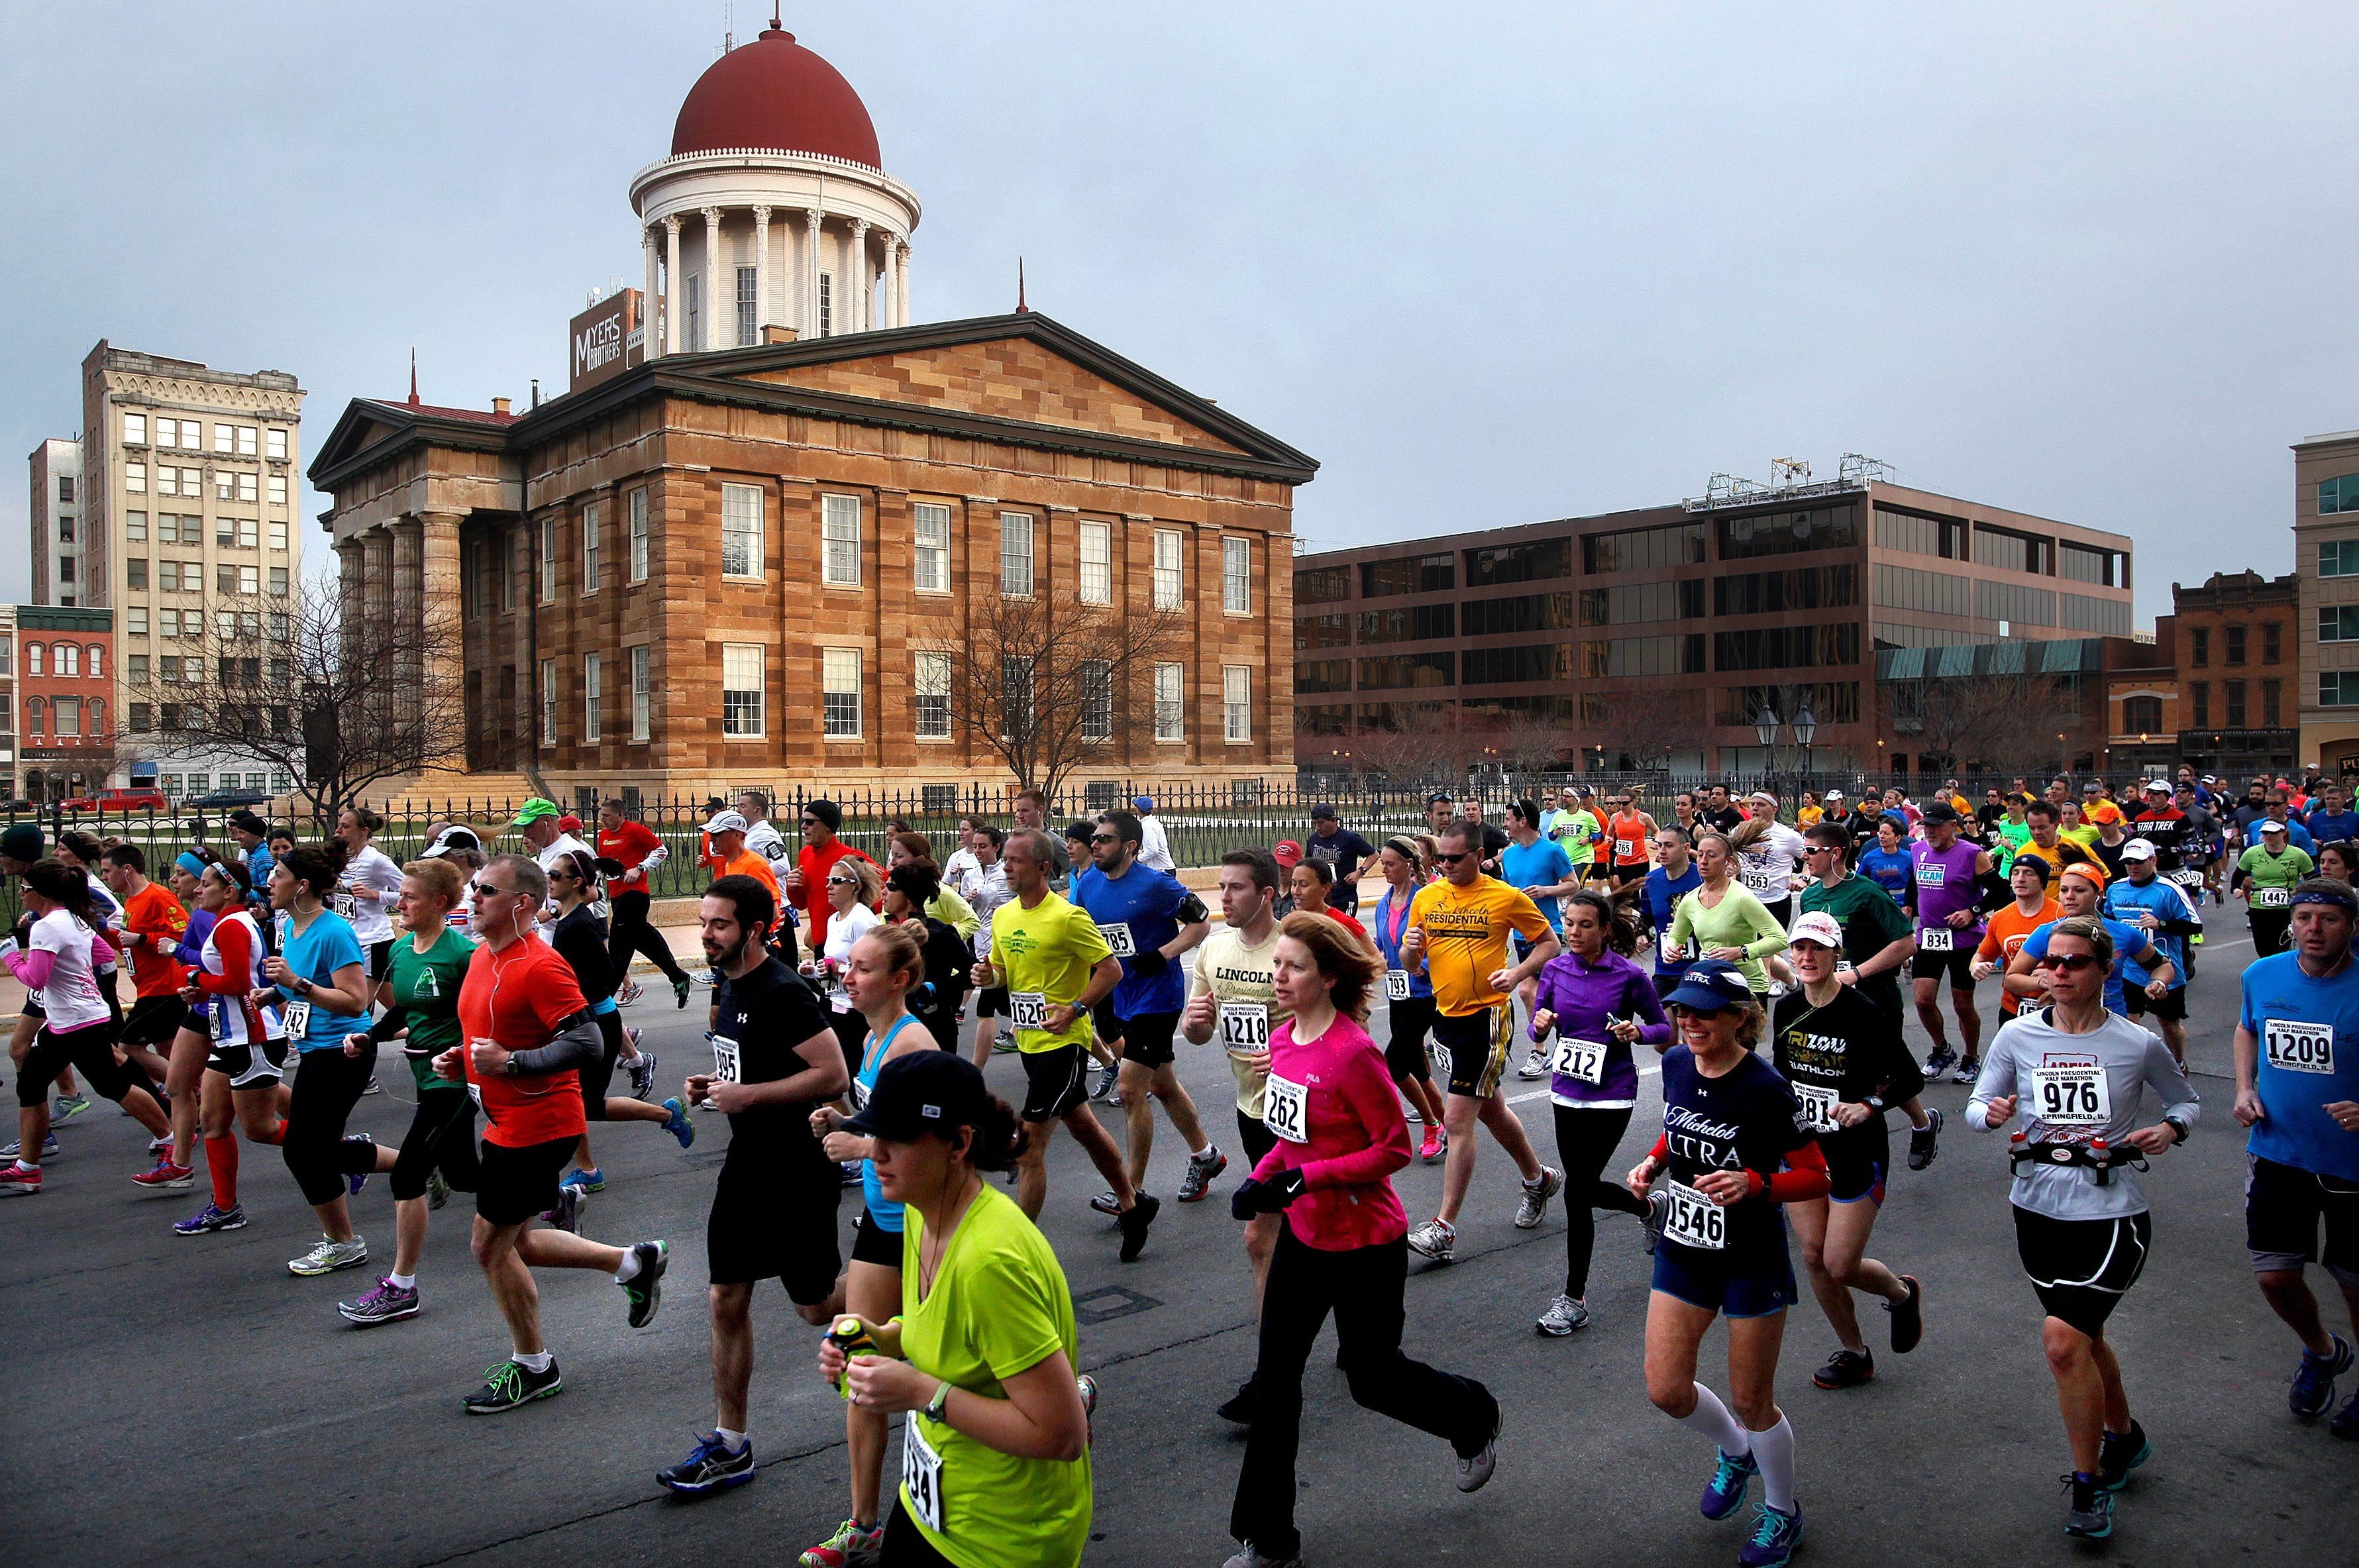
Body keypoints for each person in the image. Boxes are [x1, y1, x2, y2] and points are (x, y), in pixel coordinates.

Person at [1226, 914, 1502, 1568]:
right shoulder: (1286, 1039)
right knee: (1276, 1384)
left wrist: (1305, 1179)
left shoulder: (1353, 1053)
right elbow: (1288, 1134)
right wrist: (1260, 1180)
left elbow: (1393, 1148)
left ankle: (1472, 1416)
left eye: (1292, 967)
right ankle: (1269, 1540)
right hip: (1305, 1237)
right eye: (1277, 965)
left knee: (1373, 1379)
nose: (1279, 976)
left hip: (1366, 1244)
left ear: (1328, 977)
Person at [1966, 915, 2198, 1540]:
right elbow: (1973, 1106)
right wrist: (1989, 1113)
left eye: (2074, 962)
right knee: (2087, 1339)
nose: (2058, 971)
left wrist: (2170, 1129)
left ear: (2105, 971)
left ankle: (2089, 1483)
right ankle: (2125, 1436)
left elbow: (2185, 1100)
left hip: (2112, 1212)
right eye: (2051, 961)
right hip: (2035, 1206)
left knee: (2063, 1341)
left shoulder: (2136, 1043)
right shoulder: (2016, 1035)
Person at [818, 1051, 1094, 1568]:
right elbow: (947, 1329)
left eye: (896, 1138)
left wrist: (920, 1390)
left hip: (1003, 1536)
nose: (875, 1153)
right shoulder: (923, 1208)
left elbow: (1062, 1434)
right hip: (936, 1502)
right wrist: (883, 1337)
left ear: (959, 1144)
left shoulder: (989, 1261)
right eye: (875, 1135)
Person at [435, 853, 670, 1414]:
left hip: (540, 1124)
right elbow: (492, 1033)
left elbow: (589, 1043)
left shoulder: (540, 964)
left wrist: (512, 1063)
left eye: (485, 890)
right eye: (473, 887)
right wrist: (463, 1061)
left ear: (520, 903)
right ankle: (631, 1261)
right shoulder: (484, 957)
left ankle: (534, 1365)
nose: (473, 897)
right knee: (517, 1242)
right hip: (504, 1118)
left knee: (487, 1245)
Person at [656, 874, 851, 1493]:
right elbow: (754, 1062)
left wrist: (748, 1093)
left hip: (798, 1166)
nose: (707, 934)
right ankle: (731, 1443)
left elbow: (832, 1074)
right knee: (724, 1298)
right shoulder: (730, 981)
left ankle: (904, 1291)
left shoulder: (783, 991)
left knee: (815, 1305)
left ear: (755, 929)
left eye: (719, 925)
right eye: (705, 923)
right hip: (747, 1165)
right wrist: (712, 1082)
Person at [1630, 959, 1826, 1568]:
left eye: (1703, 1013)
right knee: (1665, 1388)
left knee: (1751, 1398)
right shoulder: (1674, 1063)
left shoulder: (1767, 1088)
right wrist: (1654, 1161)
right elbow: (1678, 1128)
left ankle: (1782, 1509)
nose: (1688, 1022)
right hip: (1687, 1243)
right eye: (1681, 1010)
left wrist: (1755, 1182)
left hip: (1750, 1255)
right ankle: (1734, 1452)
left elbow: (1817, 1174)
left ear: (1740, 1018)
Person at [789, 925, 943, 1558]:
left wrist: (860, 1145)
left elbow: (934, 1142)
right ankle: (862, 1523)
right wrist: (845, 1118)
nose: (847, 978)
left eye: (862, 969)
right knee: (861, 1360)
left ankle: (1059, 1396)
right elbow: (887, 1119)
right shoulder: (873, 1034)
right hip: (883, 1221)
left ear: (899, 979)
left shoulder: (911, 1042)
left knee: (953, 1359)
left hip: (925, 1224)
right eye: (847, 967)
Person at [971, 829, 1160, 1259]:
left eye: (1016, 860)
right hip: (1029, 1043)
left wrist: (1075, 1009)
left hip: (1064, 1043)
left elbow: (1110, 970)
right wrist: (989, 977)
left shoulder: (1068, 917)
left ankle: (1015, 1250)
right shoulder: (1004, 916)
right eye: (1007, 860)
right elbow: (1002, 969)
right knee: (1085, 1128)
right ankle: (1133, 1203)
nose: (1007, 867)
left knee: (1028, 1146)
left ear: (1042, 867)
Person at [1399, 818, 1563, 1265]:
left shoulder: (1503, 895)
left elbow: (1548, 943)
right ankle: (1538, 1177)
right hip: (1445, 1015)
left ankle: (1444, 1227)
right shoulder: (1427, 896)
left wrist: (1515, 973)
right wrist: (1411, 947)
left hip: (1487, 1017)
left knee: (1456, 1118)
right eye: (1440, 859)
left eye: (1455, 858)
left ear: (1476, 855)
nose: (1446, 866)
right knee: (1487, 1107)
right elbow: (1411, 961)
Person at [1773, 915, 1927, 1391]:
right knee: (1815, 1256)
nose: (1805, 957)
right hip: (1802, 1148)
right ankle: (1855, 1352)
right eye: (1798, 948)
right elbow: (1781, 1078)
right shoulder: (1787, 1009)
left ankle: (1899, 1292)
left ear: (1834, 953)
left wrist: (1868, 1104)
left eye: (1816, 948)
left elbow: (1908, 1078)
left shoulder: (1864, 1011)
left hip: (1855, 1151)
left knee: (1841, 1263)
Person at [2232, 877, 2359, 1437]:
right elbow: (2245, 1029)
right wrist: (2242, 1086)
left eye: (2327, 918)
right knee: (2275, 1277)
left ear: (2350, 925)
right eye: (2304, 917)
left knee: (2355, 1285)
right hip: (2279, 1151)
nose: (2313, 928)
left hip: (2351, 1165)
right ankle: (2322, 1350)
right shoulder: (2263, 974)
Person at [334, 859, 479, 1322]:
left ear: (439, 902)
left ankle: (402, 1286)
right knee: (465, 1176)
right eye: (401, 895)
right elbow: (401, 1012)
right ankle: (548, 1195)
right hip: (423, 1076)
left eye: (411, 896)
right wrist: (368, 1036)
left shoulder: (462, 955)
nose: (401, 902)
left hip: (453, 1080)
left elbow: (481, 1017)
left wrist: (462, 1051)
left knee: (406, 1175)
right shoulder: (401, 950)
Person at [1525, 890, 1667, 1335]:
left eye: (1584, 924)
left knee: (1577, 1190)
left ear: (1604, 929)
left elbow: (1662, 1026)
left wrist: (1636, 1031)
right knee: (1581, 1188)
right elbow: (1536, 1023)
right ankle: (1648, 1210)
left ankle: (1573, 1297)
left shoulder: (1627, 974)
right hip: (1567, 1089)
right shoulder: (1554, 968)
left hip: (1612, 1091)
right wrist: (1541, 1026)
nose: (1574, 932)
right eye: (1568, 923)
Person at [1186, 848, 1294, 1426]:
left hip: (1304, 1113)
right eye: (1220, 887)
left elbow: (1344, 1027)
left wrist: (1288, 1059)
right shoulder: (1213, 948)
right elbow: (1199, 1033)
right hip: (1253, 1111)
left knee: (1262, 1237)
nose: (1223, 897)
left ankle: (1270, 1376)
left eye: (1235, 888)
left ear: (1267, 894)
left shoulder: (1293, 948)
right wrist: (1195, 1025)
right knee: (1294, 1234)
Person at [1072, 810, 1221, 1212]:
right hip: (1122, 996)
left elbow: (1201, 923)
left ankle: (1130, 1192)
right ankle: (1206, 1156)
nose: (1095, 845)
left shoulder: (1158, 885)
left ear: (1130, 847)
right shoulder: (1087, 885)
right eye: (1095, 839)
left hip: (1159, 997)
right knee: (1163, 1086)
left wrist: (1164, 953)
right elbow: (1082, 935)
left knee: (1130, 1089)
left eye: (1104, 839)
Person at [0, 860, 171, 1197]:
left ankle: (170, 1140)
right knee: (32, 1084)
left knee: (111, 1085)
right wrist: (85, 984)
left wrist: (10, 957)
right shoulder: (74, 920)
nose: (20, 895)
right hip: (73, 1019)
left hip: (77, 1022)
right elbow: (104, 953)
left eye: (24, 889)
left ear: (41, 893)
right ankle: (26, 1169)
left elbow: (36, 978)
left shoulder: (47, 927)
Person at [545, 851, 694, 1201]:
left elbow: (605, 976)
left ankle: (589, 1170)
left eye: (555, 875)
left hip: (596, 1022)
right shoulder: (569, 920)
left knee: (577, 1102)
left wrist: (574, 1005)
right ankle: (664, 1115)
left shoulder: (579, 926)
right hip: (589, 1020)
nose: (548, 879)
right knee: (582, 1103)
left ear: (576, 882)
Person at [268, 843, 384, 1273]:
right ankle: (420, 1168)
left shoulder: (332, 931)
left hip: (345, 1051)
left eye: (277, 874)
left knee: (304, 1150)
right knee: (311, 1147)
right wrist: (266, 993)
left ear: (301, 885)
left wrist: (297, 984)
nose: (268, 881)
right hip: (315, 1049)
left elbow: (355, 1001)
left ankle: (344, 1242)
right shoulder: (291, 928)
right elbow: (298, 989)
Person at [166, 860, 293, 1233]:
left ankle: (341, 1148)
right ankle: (225, 1208)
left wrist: (195, 976)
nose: (197, 890)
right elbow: (230, 981)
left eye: (205, 885)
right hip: (230, 1037)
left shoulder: (232, 925)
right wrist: (202, 989)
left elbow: (238, 982)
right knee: (213, 1122)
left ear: (229, 891)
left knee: (260, 1130)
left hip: (253, 1038)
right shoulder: (229, 923)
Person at [103, 844, 193, 1162]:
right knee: (168, 1050)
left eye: (107, 871)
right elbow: (130, 941)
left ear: (126, 870)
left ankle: (181, 1095)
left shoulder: (158, 897)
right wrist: (107, 933)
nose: (105, 878)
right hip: (147, 987)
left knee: (128, 1047)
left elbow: (182, 937)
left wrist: (141, 939)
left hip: (166, 988)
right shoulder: (132, 901)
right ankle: (191, 1099)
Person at [1369, 835, 1449, 1163]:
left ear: (1409, 865)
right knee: (1416, 1064)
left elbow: (1441, 944)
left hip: (1424, 992)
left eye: (1390, 864)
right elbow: (1381, 943)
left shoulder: (1426, 899)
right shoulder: (1383, 903)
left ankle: (1432, 1125)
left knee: (1395, 1062)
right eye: (1383, 864)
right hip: (1397, 991)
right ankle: (1448, 1124)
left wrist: (1423, 966)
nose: (1384, 870)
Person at [2007, 862, 2175, 1019]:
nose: (2070, 897)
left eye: (2079, 891)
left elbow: (2162, 965)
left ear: (2099, 895)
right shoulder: (2047, 932)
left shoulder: (2123, 933)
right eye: (2064, 890)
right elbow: (2011, 979)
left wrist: (2158, 982)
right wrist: (2041, 981)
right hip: (2063, 1022)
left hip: (2111, 1020)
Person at [1907, 802, 1997, 1083]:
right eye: (1926, 826)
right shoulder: (1918, 850)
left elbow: (2000, 892)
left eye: (1935, 827)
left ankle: (1971, 1057)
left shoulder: (1973, 855)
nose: (1929, 832)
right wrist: (1908, 907)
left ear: (1952, 827)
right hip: (1930, 936)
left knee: (1962, 1004)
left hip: (1964, 940)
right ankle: (1941, 1049)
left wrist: (1973, 912)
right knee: (1922, 1000)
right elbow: (1914, 883)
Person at [2105, 841, 2199, 1065]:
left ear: (2153, 860)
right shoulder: (2116, 889)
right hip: (2128, 970)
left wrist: (2162, 924)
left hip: (2164, 969)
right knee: (2127, 1022)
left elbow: (2195, 926)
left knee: (2168, 1024)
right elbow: (2108, 921)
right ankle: (2131, 1067)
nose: (2133, 867)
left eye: (2139, 862)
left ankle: (2178, 1063)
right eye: (2128, 862)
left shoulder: (2169, 890)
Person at [1666, 832, 1789, 1000]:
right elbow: (1676, 936)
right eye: (1700, 854)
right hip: (1713, 982)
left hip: (1748, 985)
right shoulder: (1690, 900)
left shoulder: (1741, 897)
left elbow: (1780, 938)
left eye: (1712, 856)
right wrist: (1671, 948)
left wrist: (1741, 951)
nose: (1703, 861)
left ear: (1728, 862)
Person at [597, 798, 693, 1008]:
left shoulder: (635, 831)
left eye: (607, 816)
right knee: (642, 938)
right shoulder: (603, 836)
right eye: (601, 815)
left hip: (636, 894)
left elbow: (661, 851)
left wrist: (640, 868)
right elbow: (603, 862)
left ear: (621, 814)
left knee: (618, 947)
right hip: (616, 894)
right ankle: (678, 977)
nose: (602, 819)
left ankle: (603, 1002)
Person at [881, 862, 975, 1056]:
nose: (884, 892)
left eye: (891, 887)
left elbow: (971, 972)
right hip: (891, 1028)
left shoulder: (938, 934)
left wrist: (938, 992)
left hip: (933, 1030)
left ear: (908, 895)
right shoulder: (883, 932)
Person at [809, 854, 886, 1075]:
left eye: (836, 881)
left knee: (855, 1075)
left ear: (855, 887)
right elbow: (834, 967)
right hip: (834, 1002)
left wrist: (839, 969)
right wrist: (814, 971)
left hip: (857, 1011)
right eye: (828, 880)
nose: (829, 886)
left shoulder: (861, 918)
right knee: (827, 1075)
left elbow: (874, 965)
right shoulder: (834, 919)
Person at [1973, 855, 2063, 1032]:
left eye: (2029, 873)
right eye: (2016, 873)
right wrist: (1975, 965)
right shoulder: (2000, 917)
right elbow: (1983, 954)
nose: (2020, 878)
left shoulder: (2062, 915)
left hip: (2053, 1006)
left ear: (2042, 881)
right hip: (2012, 1007)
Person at [787, 799, 874, 960]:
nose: (803, 826)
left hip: (845, 944)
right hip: (821, 945)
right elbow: (801, 904)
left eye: (810, 822)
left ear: (827, 826)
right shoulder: (805, 855)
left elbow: (883, 887)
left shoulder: (851, 858)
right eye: (803, 821)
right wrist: (794, 887)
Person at [1642, 827, 1704, 1000]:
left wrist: (1689, 925)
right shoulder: (1651, 880)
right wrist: (1642, 934)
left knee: (1693, 1026)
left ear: (1685, 848)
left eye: (1669, 846)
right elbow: (1646, 917)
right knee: (1664, 1026)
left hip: (1700, 968)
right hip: (1665, 969)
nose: (1662, 851)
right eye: (1659, 845)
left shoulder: (1702, 878)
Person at [1731, 793, 1809, 931]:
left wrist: (1804, 878)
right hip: (1746, 900)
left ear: (1774, 809)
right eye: (1753, 804)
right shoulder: (1740, 831)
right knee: (1747, 949)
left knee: (1772, 949)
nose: (1755, 808)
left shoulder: (1788, 836)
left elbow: (1811, 858)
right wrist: (1732, 870)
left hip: (1777, 901)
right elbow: (1730, 857)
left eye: (1761, 805)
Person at [2237, 817, 2315, 957]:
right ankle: (2268, 974)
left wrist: (2305, 898)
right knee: (2263, 949)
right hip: (2259, 908)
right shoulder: (2252, 853)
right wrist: (2236, 888)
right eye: (2265, 833)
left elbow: (2312, 880)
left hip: (2286, 908)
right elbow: (2238, 875)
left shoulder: (2298, 855)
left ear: (2284, 833)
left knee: (2281, 947)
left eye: (2273, 833)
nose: (2268, 836)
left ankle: (2280, 974)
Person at [1304, 804, 1375, 917]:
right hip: (1322, 898)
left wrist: (1360, 872)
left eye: (1321, 823)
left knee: (1344, 931)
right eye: (1315, 823)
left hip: (1344, 897)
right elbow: (1308, 865)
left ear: (1333, 821)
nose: (1318, 828)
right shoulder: (1313, 840)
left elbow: (1373, 855)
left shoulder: (1349, 839)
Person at [1604, 793, 1659, 889]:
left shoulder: (1643, 817)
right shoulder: (1615, 817)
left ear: (1633, 802)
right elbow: (1609, 834)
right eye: (1619, 803)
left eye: (1625, 803)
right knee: (1625, 890)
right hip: (1622, 862)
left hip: (1639, 861)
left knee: (1633, 891)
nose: (1622, 806)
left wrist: (1657, 842)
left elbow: (1657, 831)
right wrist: (1608, 839)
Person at [1856, 817, 1913, 900]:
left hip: (1902, 905)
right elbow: (1859, 882)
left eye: (1887, 834)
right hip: (1878, 903)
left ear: (1898, 838)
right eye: (1880, 833)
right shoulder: (1869, 857)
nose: (1882, 836)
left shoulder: (1909, 858)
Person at [1132, 795, 1175, 872]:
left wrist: (1138, 858)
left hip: (1161, 870)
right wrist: (1140, 852)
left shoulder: (1147, 826)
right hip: (1165, 869)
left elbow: (1153, 850)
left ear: (1138, 810)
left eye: (1136, 807)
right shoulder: (1153, 822)